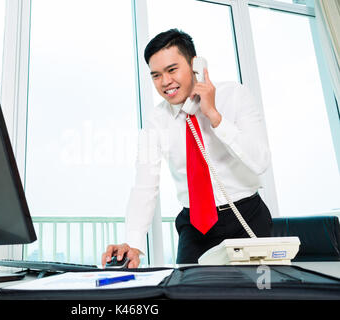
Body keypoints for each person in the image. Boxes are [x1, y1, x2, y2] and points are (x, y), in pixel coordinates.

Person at [101, 29, 273, 268]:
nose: (165, 82)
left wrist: (214, 115)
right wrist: (134, 243)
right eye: (156, 75)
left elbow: (260, 161)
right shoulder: (156, 120)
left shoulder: (235, 95)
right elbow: (145, 185)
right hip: (195, 226)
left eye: (172, 70)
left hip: (247, 216)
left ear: (195, 65)